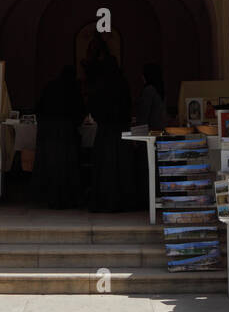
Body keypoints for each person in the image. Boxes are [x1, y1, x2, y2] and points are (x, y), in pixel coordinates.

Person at [85, 40, 142, 212]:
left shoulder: (101, 83)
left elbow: (93, 103)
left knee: (105, 167)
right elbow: (127, 103)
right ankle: (122, 200)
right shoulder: (122, 82)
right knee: (122, 167)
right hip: (122, 130)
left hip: (105, 131)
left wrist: (99, 117)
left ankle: (105, 200)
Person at [31, 65, 85, 209]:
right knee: (67, 166)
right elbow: (79, 111)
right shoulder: (73, 88)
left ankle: (51, 198)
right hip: (66, 133)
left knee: (52, 165)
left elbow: (39, 108)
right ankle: (67, 198)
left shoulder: (50, 86)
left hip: (48, 133)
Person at [137, 62, 166, 130]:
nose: (141, 76)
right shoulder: (160, 89)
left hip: (151, 130)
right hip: (160, 129)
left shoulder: (149, 90)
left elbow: (143, 115)